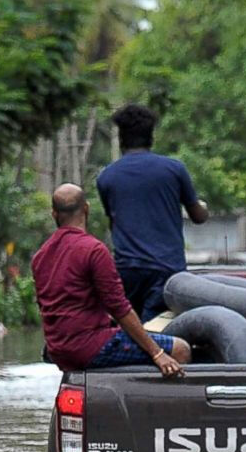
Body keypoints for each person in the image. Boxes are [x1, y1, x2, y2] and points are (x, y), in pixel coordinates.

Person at [31, 184, 190, 377]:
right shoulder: (93, 250)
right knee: (180, 349)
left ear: (54, 214)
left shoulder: (41, 256)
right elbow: (119, 308)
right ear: (86, 208)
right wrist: (156, 353)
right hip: (89, 347)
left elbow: (53, 308)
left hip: (57, 350)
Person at [96, 103, 209, 318]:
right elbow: (198, 216)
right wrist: (203, 207)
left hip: (127, 271)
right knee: (159, 333)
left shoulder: (107, 177)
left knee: (131, 335)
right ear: (151, 137)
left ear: (121, 139)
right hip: (167, 271)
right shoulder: (174, 170)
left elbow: (114, 222)